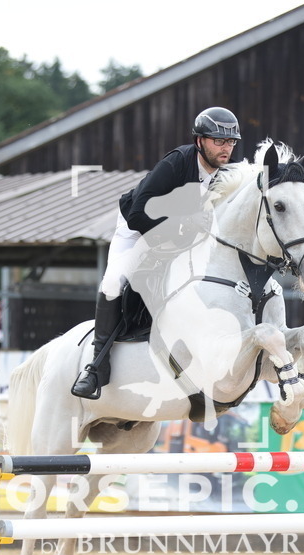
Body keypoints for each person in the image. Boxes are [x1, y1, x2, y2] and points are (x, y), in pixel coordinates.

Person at [71, 106, 242, 400]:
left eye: (230, 142)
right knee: (113, 282)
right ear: (199, 141)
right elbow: (139, 215)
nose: (225, 148)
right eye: (218, 141)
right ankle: (96, 367)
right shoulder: (176, 163)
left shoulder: (229, 173)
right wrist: (182, 225)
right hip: (138, 231)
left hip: (184, 235)